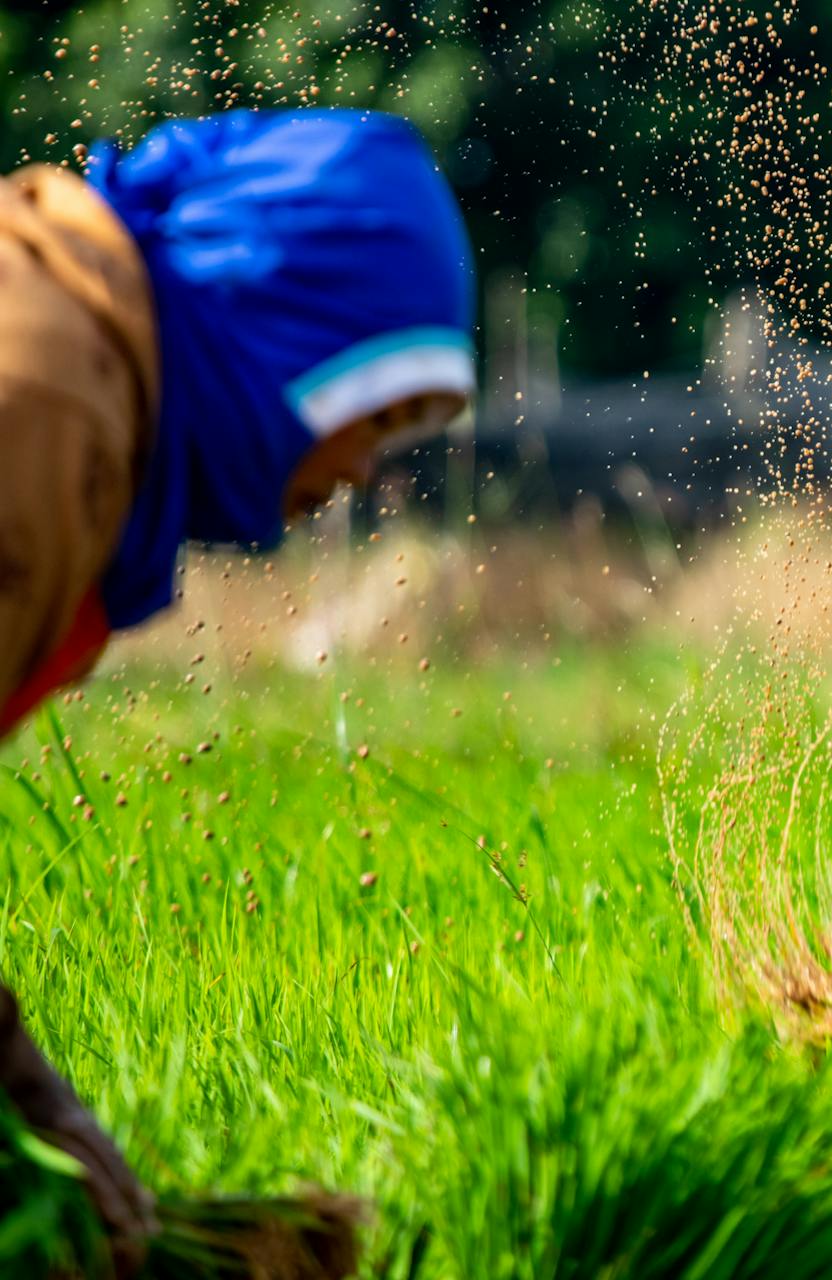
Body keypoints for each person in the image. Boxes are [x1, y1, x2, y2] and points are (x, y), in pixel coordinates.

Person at [0, 108, 475, 1273]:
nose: (364, 470)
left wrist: (21, 1086)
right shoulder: (42, 410)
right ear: (292, 331)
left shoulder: (83, 380)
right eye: (382, 414)